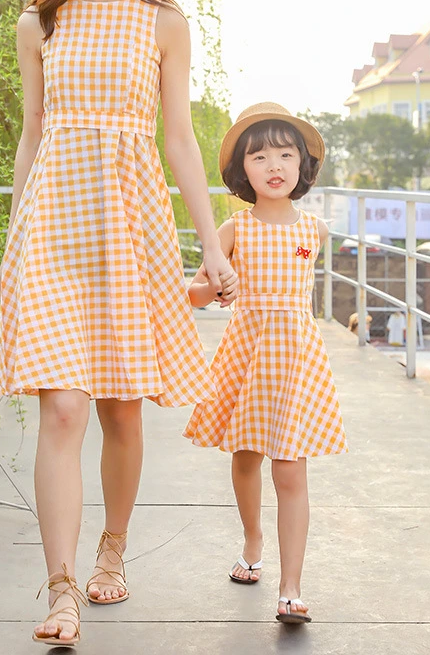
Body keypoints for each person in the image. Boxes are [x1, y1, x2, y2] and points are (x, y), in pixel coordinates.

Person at [0, 0, 238, 647]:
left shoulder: (164, 23)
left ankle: (113, 548)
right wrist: (13, 238)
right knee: (63, 406)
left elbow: (179, 141)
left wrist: (211, 244)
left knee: (121, 409)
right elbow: (32, 132)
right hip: (53, 225)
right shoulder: (39, 23)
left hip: (131, 226)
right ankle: (62, 587)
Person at [184, 102, 347, 624]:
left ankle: (291, 587)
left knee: (291, 468)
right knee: (246, 456)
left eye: (285, 154)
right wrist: (218, 286)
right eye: (259, 157)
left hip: (296, 358)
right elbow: (194, 294)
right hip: (248, 352)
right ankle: (252, 541)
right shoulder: (235, 229)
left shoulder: (314, 230)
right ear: (242, 170)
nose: (274, 165)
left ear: (302, 164)